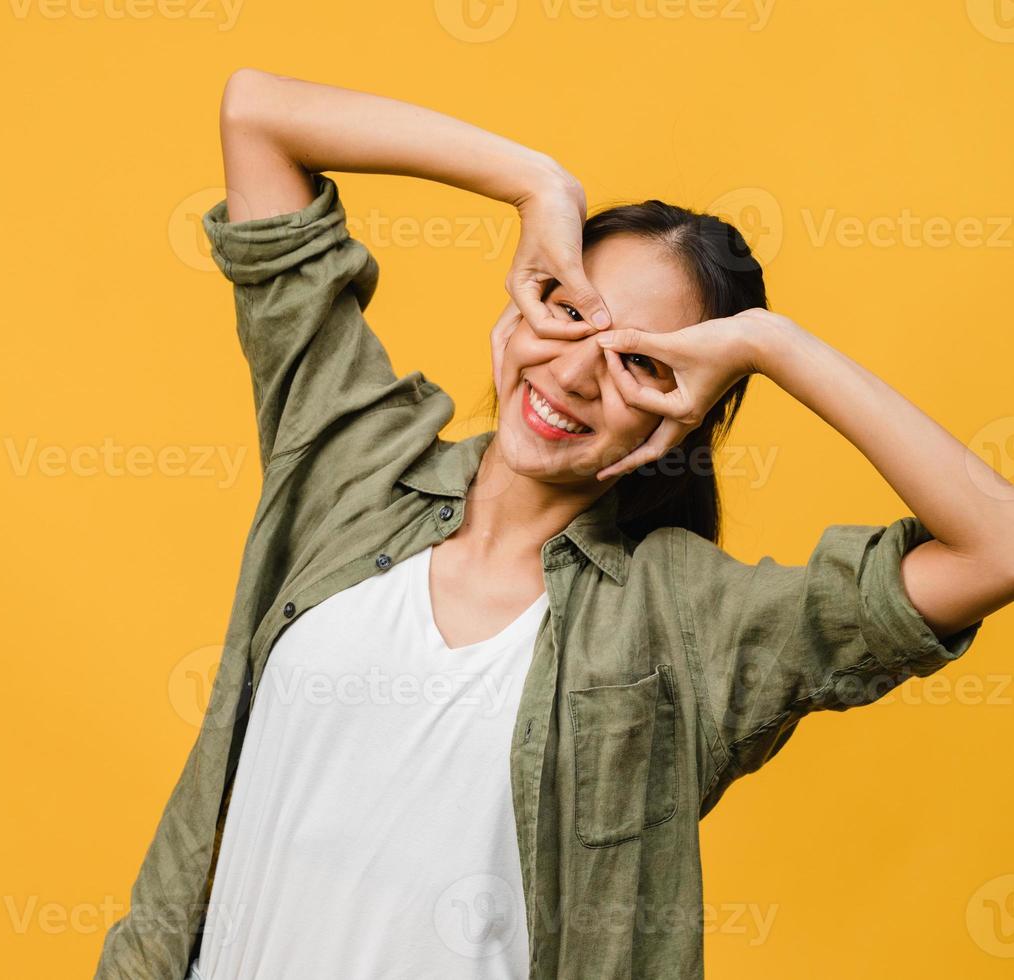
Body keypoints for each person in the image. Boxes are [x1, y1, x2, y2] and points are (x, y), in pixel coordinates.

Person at [94, 69, 1012, 980]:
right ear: (525, 296)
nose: (575, 375)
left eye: (640, 364)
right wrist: (536, 184)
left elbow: (996, 546)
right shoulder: (352, 463)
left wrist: (770, 345)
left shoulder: (689, 628)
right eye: (570, 313)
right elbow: (257, 115)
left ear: (684, 409)